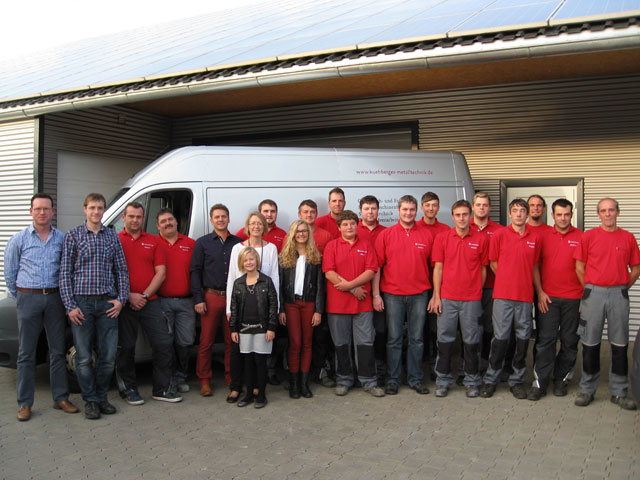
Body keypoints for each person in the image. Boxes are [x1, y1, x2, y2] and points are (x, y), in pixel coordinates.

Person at [5, 193, 79, 421]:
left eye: (46, 208)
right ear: (31, 211)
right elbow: (10, 273)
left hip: (54, 299)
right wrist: (22, 296)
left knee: (57, 351)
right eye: (38, 209)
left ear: (52, 212)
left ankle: (61, 398)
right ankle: (25, 403)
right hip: (28, 298)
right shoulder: (19, 240)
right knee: (26, 353)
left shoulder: (62, 239)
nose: (42, 212)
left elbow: (68, 269)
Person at [60, 193, 129, 420]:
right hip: (82, 304)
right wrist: (70, 306)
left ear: (104, 210)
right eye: (92, 208)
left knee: (108, 356)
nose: (96, 212)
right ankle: (89, 400)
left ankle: (101, 398)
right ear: (85, 209)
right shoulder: (73, 236)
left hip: (108, 303)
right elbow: (65, 273)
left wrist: (121, 299)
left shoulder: (111, 236)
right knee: (83, 357)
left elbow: (121, 270)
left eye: (100, 208)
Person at [574, 198, 640, 410]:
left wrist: (621, 288)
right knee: (590, 343)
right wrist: (590, 289)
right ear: (598, 214)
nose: (608, 214)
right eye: (603, 210)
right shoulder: (589, 237)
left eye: (611, 210)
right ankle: (587, 389)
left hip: (618, 294)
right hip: (593, 293)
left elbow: (636, 269)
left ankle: (619, 392)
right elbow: (579, 267)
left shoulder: (628, 238)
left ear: (618, 213)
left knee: (620, 344)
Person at [116, 202, 181, 404]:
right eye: (131, 216)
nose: (135, 220)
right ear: (123, 217)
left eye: (139, 217)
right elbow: (111, 273)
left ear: (143, 218)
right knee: (126, 348)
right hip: (124, 303)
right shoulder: (115, 240)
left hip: (150, 301)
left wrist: (143, 296)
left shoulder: (153, 241)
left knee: (163, 344)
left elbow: (161, 273)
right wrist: (129, 296)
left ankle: (162, 389)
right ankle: (129, 389)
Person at [480, 198, 541, 399]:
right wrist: (508, 279)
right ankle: (491, 379)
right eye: (515, 210)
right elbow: (493, 263)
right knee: (500, 339)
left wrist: (538, 290)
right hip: (503, 296)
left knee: (523, 339)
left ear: (527, 214)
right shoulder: (499, 235)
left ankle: (517, 380)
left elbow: (534, 267)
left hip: (525, 297)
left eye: (522, 210)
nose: (519, 214)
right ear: (510, 214)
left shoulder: (534, 238)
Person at [428, 200, 488, 398]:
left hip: (471, 300)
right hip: (447, 298)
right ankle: (443, 380)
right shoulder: (443, 238)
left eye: (465, 214)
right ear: (453, 217)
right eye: (458, 215)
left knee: (471, 342)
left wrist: (476, 291)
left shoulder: (481, 239)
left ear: (470, 216)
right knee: (444, 341)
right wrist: (437, 296)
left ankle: (472, 380)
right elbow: (438, 269)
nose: (462, 218)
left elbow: (483, 269)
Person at [374, 195, 433, 395]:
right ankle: (393, 379)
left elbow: (435, 267)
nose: (408, 213)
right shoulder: (386, 235)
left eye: (412, 209)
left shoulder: (426, 235)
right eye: (405, 209)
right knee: (394, 339)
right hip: (392, 294)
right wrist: (376, 294)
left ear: (417, 211)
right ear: (398, 211)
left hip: (419, 294)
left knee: (417, 339)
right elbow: (377, 267)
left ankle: (415, 378)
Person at [323, 210, 384, 397]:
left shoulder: (366, 245)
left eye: (352, 224)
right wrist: (352, 289)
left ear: (357, 225)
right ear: (339, 227)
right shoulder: (331, 246)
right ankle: (344, 380)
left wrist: (350, 285)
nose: (349, 227)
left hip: (362, 304)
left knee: (365, 343)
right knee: (341, 344)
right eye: (345, 224)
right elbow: (329, 272)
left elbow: (371, 270)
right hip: (338, 305)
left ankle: (369, 381)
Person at [529, 199, 582, 400]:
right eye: (559, 214)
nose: (563, 218)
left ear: (571, 215)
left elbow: (585, 268)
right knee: (545, 340)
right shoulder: (542, 236)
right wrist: (540, 292)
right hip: (548, 299)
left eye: (566, 214)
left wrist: (584, 298)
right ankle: (540, 383)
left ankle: (561, 379)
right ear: (552, 215)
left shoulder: (581, 237)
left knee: (569, 341)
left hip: (574, 299)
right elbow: (535, 266)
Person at [190, 204, 242, 397]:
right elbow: (195, 271)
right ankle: (204, 380)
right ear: (211, 220)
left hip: (233, 297)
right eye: (217, 217)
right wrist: (198, 298)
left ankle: (231, 377)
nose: (221, 220)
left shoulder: (239, 243)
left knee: (232, 340)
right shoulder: (202, 243)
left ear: (229, 219)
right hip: (211, 296)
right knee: (206, 341)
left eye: (224, 216)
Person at [226, 212, 279, 398]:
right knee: (239, 351)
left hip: (263, 309)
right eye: (252, 223)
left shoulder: (271, 248)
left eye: (259, 223)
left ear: (264, 226)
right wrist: (229, 309)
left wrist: (276, 311)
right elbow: (232, 278)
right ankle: (236, 387)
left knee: (259, 352)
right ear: (247, 227)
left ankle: (257, 387)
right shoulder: (237, 249)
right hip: (240, 308)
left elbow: (275, 278)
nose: (256, 226)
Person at [278, 220, 324, 398]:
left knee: (307, 343)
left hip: (309, 304)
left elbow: (320, 287)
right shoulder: (285, 257)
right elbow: (280, 285)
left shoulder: (315, 257)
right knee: (295, 343)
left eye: (304, 231)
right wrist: (281, 309)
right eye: (298, 231)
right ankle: (294, 383)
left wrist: (318, 310)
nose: (301, 234)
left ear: (308, 233)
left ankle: (304, 384)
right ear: (292, 234)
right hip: (291, 304)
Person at [157, 208, 196, 394]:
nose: (168, 223)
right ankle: (169, 379)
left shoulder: (190, 244)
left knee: (185, 341)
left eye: (170, 219)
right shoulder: (153, 243)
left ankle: (181, 376)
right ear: (158, 226)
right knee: (166, 342)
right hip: (161, 302)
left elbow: (197, 272)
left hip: (186, 302)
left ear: (176, 221)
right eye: (163, 221)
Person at [298, 199, 335, 387]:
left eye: (312, 212)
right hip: (298, 296)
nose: (309, 215)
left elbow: (329, 265)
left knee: (320, 336)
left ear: (317, 214)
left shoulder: (325, 236)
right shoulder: (293, 234)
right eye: (305, 212)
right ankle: (297, 374)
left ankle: (321, 371)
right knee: (298, 338)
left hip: (320, 293)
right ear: (299, 214)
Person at [416, 192, 450, 379]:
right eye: (427, 205)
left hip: (440, 286)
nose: (431, 208)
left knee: (436, 329)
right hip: (419, 286)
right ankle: (419, 368)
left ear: (438, 207)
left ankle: (435, 368)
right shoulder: (415, 227)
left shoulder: (445, 230)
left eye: (434, 205)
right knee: (419, 330)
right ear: (422, 207)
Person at [470, 192, 504, 372]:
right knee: (471, 328)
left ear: (489, 208)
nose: (481, 208)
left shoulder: (500, 231)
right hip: (469, 289)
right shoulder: (464, 226)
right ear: (472, 207)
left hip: (492, 287)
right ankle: (470, 366)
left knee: (490, 327)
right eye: (478, 204)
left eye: (484, 205)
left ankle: (486, 363)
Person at [357, 195, 387, 385]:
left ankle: (380, 370)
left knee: (381, 331)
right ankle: (360, 370)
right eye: (366, 209)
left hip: (381, 290)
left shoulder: (385, 232)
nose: (370, 212)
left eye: (373, 208)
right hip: (357, 291)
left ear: (378, 210)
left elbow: (380, 265)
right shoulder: (353, 229)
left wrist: (377, 294)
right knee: (362, 335)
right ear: (361, 211)